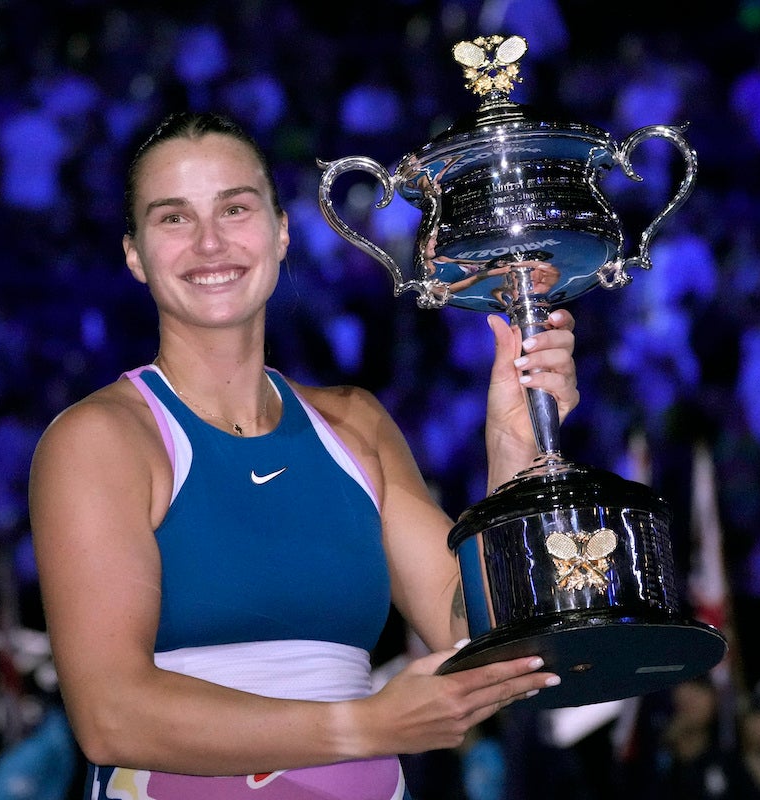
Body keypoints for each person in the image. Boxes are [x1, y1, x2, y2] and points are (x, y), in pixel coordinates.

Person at [28, 110, 578, 799]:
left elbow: (477, 636)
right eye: (173, 218)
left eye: (235, 208)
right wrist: (364, 727)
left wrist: (513, 449)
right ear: (134, 254)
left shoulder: (355, 426)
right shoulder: (100, 441)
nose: (209, 242)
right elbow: (111, 717)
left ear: (281, 232)